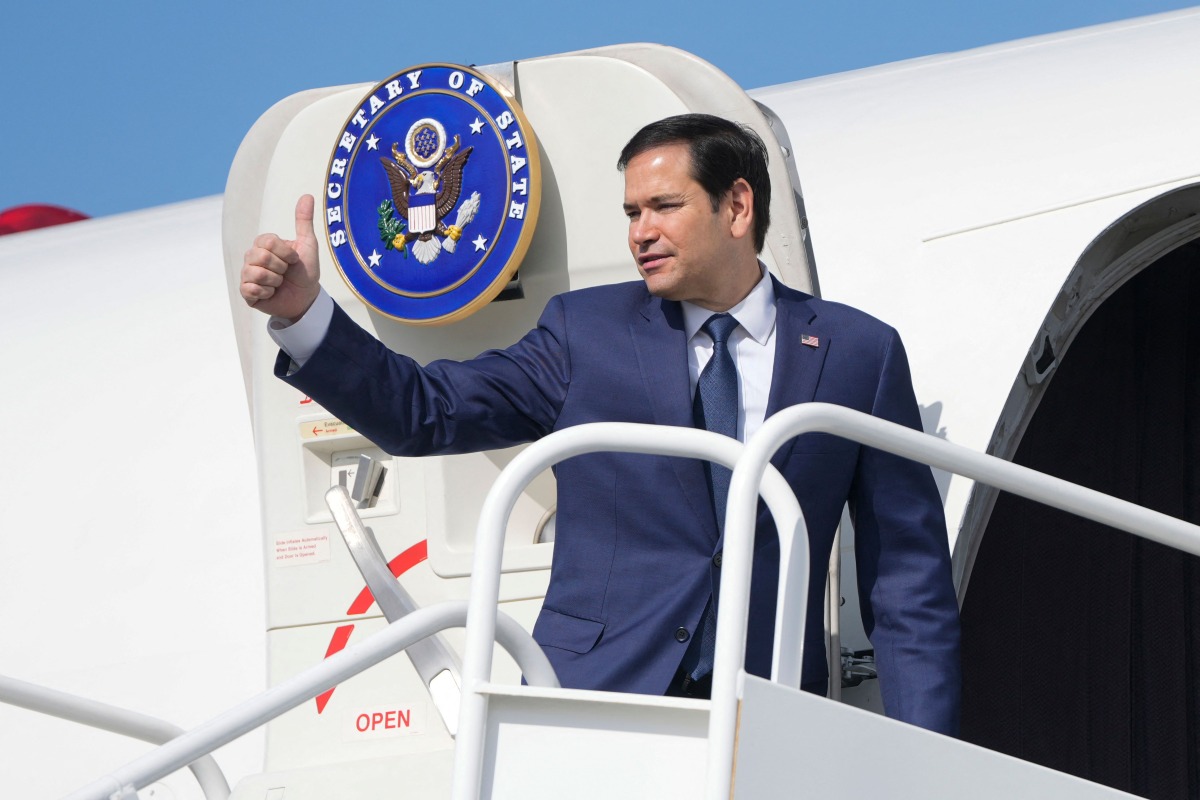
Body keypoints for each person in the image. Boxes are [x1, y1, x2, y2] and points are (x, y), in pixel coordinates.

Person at [241, 113, 961, 736]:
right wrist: (306, 318)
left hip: (767, 718)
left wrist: (928, 760)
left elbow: (907, 581)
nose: (641, 233)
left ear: (737, 207)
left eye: (664, 206)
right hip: (594, 704)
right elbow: (423, 413)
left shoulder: (857, 353)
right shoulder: (583, 333)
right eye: (631, 213)